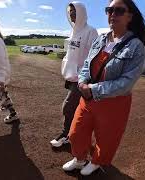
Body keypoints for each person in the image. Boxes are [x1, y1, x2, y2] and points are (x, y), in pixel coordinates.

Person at [62, 0, 145, 176]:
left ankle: (96, 161)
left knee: (107, 137)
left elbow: (126, 82)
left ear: (129, 16)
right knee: (76, 132)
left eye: (118, 11)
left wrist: (93, 89)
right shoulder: (101, 38)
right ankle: (79, 159)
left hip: (114, 103)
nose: (112, 14)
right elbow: (87, 63)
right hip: (87, 96)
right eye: (109, 10)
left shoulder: (136, 46)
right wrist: (82, 81)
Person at [50, 1, 98, 147]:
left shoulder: (91, 31)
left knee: (68, 107)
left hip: (82, 78)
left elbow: (94, 57)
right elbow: (71, 54)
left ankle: (67, 135)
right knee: (77, 108)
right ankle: (76, 136)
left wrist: (87, 77)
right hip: (71, 77)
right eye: (70, 13)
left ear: (82, 13)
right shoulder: (73, 32)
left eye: (75, 13)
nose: (72, 16)